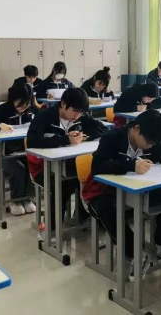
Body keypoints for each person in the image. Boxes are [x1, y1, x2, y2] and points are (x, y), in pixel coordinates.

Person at [82, 110, 161, 280]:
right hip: (103, 191)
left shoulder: (153, 137)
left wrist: (157, 155)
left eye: (154, 143)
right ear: (136, 129)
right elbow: (98, 167)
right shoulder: (112, 138)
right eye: (149, 142)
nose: (151, 146)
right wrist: (131, 165)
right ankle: (135, 253)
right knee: (108, 209)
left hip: (139, 190)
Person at [27, 88, 109, 238]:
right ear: (63, 104)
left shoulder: (81, 117)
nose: (77, 115)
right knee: (62, 185)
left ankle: (82, 217)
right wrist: (65, 140)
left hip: (71, 165)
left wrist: (85, 137)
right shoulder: (44, 116)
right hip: (43, 167)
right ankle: (50, 229)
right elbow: (32, 141)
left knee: (90, 179)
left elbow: (104, 130)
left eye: (81, 112)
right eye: (74, 111)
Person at [0, 83, 38, 216]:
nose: (23, 107)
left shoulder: (33, 110)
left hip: (26, 150)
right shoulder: (3, 110)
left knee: (32, 166)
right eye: (20, 103)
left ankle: (28, 198)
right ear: (13, 99)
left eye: (26, 104)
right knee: (18, 169)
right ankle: (16, 201)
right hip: (4, 152)